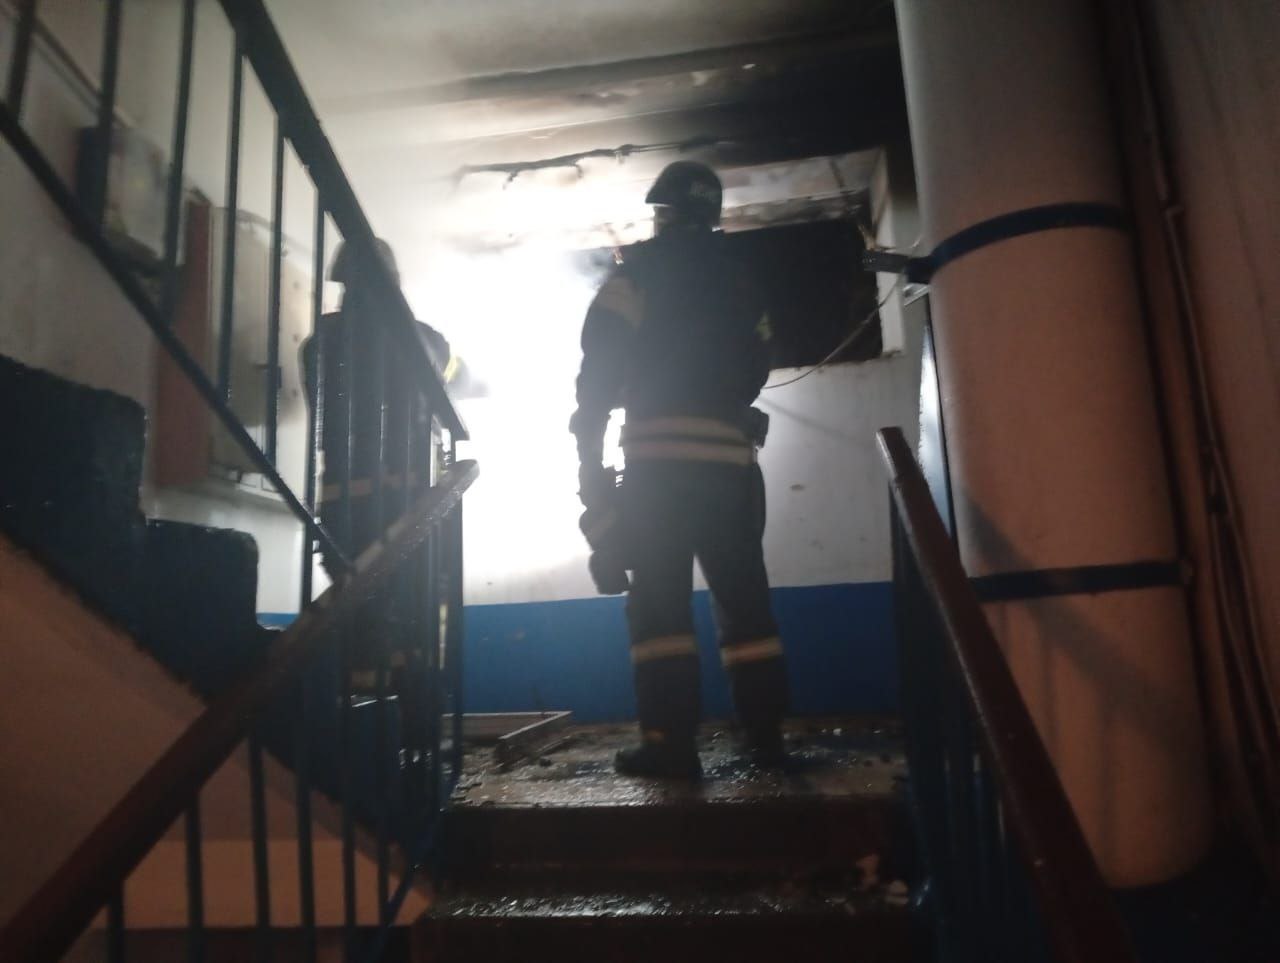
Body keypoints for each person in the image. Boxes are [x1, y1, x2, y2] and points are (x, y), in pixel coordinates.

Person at [570, 161, 790, 778]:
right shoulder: (740, 280)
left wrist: (590, 452)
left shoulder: (637, 274)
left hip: (658, 470)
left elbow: (598, 367)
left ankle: (670, 744)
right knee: (745, 605)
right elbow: (759, 359)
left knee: (660, 610)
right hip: (730, 465)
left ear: (662, 212)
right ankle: (765, 738)